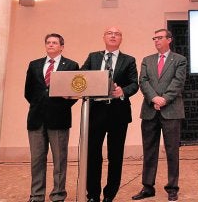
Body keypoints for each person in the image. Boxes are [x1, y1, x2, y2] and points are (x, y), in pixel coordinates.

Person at [81, 26, 139, 202]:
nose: (113, 36)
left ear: (121, 39)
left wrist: (123, 91)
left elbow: (134, 84)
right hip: (95, 113)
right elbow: (82, 77)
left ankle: (109, 194)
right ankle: (92, 194)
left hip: (118, 114)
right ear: (104, 37)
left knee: (115, 156)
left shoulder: (129, 60)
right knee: (93, 156)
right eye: (110, 33)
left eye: (117, 34)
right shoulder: (93, 57)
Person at [132, 29, 187, 202]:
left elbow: (178, 82)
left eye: (160, 38)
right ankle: (148, 187)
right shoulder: (147, 60)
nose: (156, 40)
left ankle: (172, 188)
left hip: (171, 110)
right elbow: (143, 81)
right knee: (149, 151)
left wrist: (164, 99)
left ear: (169, 39)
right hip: (150, 111)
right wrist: (154, 97)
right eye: (154, 38)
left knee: (172, 151)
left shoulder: (179, 60)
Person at [25, 33, 79, 202]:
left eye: (54, 43)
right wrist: (40, 104)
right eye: (48, 42)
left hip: (59, 119)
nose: (51, 45)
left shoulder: (71, 65)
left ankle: (58, 195)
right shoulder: (34, 65)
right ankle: (36, 195)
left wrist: (59, 106)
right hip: (36, 119)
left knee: (59, 161)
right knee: (37, 160)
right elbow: (28, 92)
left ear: (61, 46)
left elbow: (75, 93)